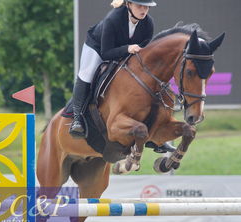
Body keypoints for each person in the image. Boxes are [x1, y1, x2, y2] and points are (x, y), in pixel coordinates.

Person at [70, 0, 175, 153]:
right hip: (98, 47)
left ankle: (156, 136)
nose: (143, 10)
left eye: (146, 7)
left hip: (126, 51)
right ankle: (77, 118)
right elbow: (106, 53)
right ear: (129, 5)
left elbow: (144, 52)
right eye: (139, 6)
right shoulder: (113, 20)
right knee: (87, 73)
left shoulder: (148, 23)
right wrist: (127, 48)